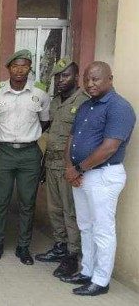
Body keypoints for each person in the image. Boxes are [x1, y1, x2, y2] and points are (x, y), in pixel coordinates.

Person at [60, 62, 135, 296]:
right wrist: (70, 166)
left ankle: (101, 280)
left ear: (110, 79)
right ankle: (87, 270)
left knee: (102, 229)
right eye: (87, 79)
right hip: (81, 175)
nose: (90, 84)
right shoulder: (85, 106)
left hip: (103, 175)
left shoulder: (119, 107)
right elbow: (71, 139)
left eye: (96, 79)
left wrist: (78, 169)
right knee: (86, 226)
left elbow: (109, 147)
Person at [0, 49, 50, 265]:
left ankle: (23, 247)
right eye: (15, 66)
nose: (20, 70)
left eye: (24, 66)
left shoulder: (40, 93)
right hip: (4, 152)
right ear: (8, 69)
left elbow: (45, 121)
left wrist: (27, 137)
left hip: (29, 153)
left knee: (27, 202)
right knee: (0, 201)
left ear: (29, 68)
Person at [35, 58, 88, 277]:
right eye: (57, 76)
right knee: (55, 210)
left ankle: (72, 254)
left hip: (70, 166)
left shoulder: (84, 101)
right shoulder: (55, 101)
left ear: (76, 77)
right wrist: (44, 164)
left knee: (70, 212)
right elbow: (52, 135)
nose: (60, 80)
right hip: (52, 164)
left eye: (65, 75)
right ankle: (59, 246)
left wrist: (76, 167)